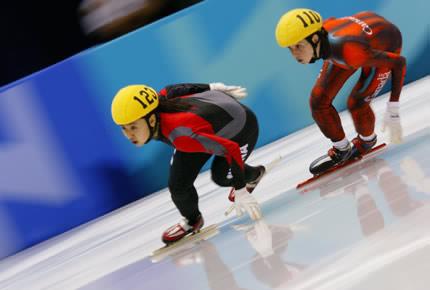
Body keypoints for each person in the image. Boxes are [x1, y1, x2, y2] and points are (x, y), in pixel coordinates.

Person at [111, 82, 265, 244]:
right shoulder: (159, 105)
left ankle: (254, 175)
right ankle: (193, 221)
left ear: (151, 120)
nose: (129, 135)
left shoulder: (181, 135)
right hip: (202, 126)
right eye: (124, 128)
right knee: (178, 185)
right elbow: (172, 89)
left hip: (240, 126)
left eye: (133, 127)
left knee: (221, 176)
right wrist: (211, 87)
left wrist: (240, 189)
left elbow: (231, 149)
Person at [275, 9, 406, 174]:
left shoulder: (349, 51)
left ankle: (366, 141)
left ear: (315, 39)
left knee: (357, 103)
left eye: (299, 46)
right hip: (358, 37)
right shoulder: (326, 40)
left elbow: (399, 63)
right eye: (290, 49)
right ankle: (342, 149)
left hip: (385, 41)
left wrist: (393, 108)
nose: (295, 54)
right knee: (318, 100)